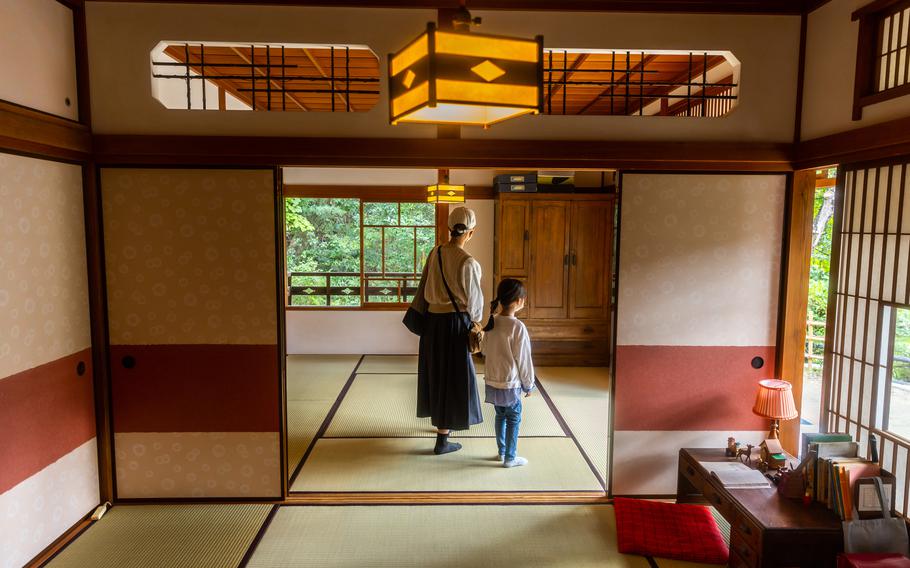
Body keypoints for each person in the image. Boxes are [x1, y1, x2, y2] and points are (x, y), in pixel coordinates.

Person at [413, 206, 484, 455]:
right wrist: (476, 322)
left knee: (437, 374)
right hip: (455, 324)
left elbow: (425, 288)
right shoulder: (468, 262)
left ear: (449, 228)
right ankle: (443, 441)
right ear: (471, 232)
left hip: (432, 323)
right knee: (453, 378)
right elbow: (475, 305)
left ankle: (440, 428)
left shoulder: (435, 253)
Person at [481, 278, 535, 468]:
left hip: (493, 381)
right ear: (519, 300)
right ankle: (510, 458)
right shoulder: (517, 327)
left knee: (500, 416)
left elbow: (484, 350)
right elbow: (524, 360)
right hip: (510, 383)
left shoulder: (492, 322)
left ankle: (501, 452)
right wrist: (529, 384)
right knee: (513, 419)